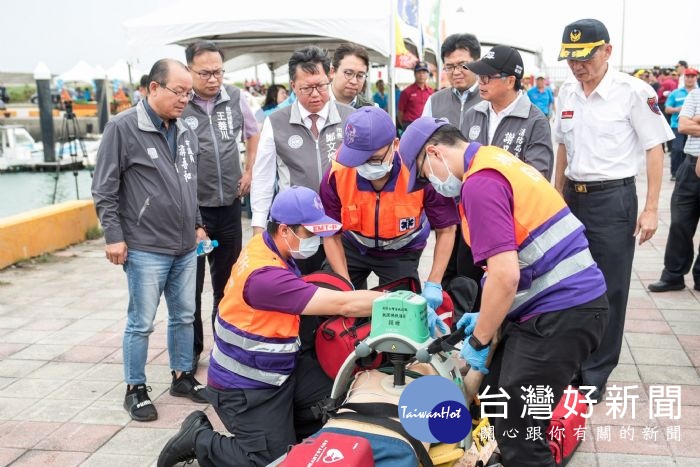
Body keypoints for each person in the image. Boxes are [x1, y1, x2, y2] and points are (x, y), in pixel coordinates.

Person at [157, 186, 439, 467]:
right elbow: (343, 305)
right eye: (310, 233)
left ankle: (289, 430)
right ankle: (199, 438)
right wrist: (399, 302)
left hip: (280, 371)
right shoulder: (265, 278)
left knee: (339, 396)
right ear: (284, 230)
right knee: (271, 461)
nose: (315, 239)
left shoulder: (266, 245)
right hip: (246, 389)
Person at [399, 117, 609, 467]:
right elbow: (515, 261)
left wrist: (479, 341)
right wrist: (488, 314)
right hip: (563, 306)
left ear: (434, 152)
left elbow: (505, 276)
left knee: (518, 431)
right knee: (498, 402)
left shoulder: (479, 184)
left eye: (423, 174)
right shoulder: (494, 159)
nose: (430, 185)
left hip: (561, 314)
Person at [554, 18, 674, 400]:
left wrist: (652, 208)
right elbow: (561, 147)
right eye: (570, 58)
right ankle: (570, 363)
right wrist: (556, 195)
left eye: (585, 56)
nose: (577, 66)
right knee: (569, 284)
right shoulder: (565, 92)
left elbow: (655, 147)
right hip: (572, 196)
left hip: (613, 200)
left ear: (607, 51)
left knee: (610, 288)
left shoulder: (633, 92)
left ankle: (594, 374)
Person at [91, 59, 208, 422]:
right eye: (179, 91)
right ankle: (135, 388)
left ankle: (182, 376)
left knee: (185, 315)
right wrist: (114, 236)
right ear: (153, 88)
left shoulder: (186, 129)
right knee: (141, 321)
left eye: (189, 93)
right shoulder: (122, 128)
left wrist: (199, 223)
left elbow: (190, 182)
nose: (185, 99)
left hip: (186, 245)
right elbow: (104, 189)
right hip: (144, 246)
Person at [320, 106, 459, 305]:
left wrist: (434, 282)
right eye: (359, 160)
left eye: (374, 159)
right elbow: (331, 234)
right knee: (335, 303)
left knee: (398, 312)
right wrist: (345, 288)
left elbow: (447, 229)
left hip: (401, 252)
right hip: (351, 247)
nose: (366, 166)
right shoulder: (337, 172)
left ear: (395, 144)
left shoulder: (419, 170)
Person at [181, 41, 261, 371]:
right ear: (189, 71)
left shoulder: (235, 97)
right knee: (189, 287)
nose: (213, 79)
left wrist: (249, 170)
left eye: (218, 71)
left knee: (227, 283)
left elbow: (253, 134)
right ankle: (188, 356)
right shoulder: (180, 101)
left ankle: (223, 349)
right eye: (205, 73)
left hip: (228, 206)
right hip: (192, 212)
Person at [250, 45, 355, 274]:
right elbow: (263, 178)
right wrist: (259, 228)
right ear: (293, 86)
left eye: (321, 86)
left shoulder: (350, 119)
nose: (315, 94)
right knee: (298, 298)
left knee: (346, 296)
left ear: (330, 77)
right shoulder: (276, 122)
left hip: (342, 228)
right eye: (306, 88)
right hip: (296, 232)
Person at [464, 45, 553, 179]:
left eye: (487, 77)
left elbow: (537, 179)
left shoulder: (535, 122)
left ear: (510, 81)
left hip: (511, 200)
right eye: (479, 76)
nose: (481, 83)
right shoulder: (473, 114)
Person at [648, 87, 700, 293]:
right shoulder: (695, 95)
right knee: (680, 222)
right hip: (689, 167)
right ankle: (673, 275)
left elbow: (691, 124)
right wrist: (691, 121)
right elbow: (683, 125)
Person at [422, 33, 482, 133]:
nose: (456, 72)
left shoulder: (491, 100)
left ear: (478, 63)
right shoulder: (434, 101)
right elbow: (424, 136)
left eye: (462, 65)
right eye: (449, 67)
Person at [663, 68, 699, 180]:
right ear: (684, 78)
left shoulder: (698, 94)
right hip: (677, 126)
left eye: (692, 76)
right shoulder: (675, 93)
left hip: (694, 128)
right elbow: (667, 109)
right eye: (687, 76)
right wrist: (677, 109)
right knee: (677, 149)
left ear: (696, 77)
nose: (690, 79)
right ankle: (675, 173)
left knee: (691, 153)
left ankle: (687, 172)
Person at [329, 42, 375, 109]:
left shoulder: (370, 110)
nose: (354, 81)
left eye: (360, 76)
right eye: (348, 73)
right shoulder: (313, 103)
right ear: (332, 72)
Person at [398, 61, 433, 130]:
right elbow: (400, 112)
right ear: (414, 74)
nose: (421, 75)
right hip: (410, 125)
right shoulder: (407, 92)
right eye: (419, 72)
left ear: (427, 75)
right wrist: (404, 127)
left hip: (426, 125)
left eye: (424, 72)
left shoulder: (431, 92)